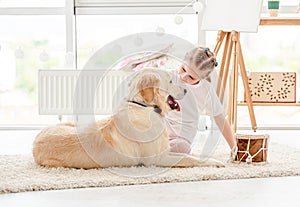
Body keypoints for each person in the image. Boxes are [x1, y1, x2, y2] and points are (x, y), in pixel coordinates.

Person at [164, 47, 236, 156]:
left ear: (202, 78)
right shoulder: (167, 76)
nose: (183, 77)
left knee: (182, 148)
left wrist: (234, 147)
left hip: (181, 137)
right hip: (161, 127)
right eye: (183, 69)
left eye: (191, 77)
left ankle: (157, 151)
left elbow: (220, 119)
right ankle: (150, 148)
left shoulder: (205, 91)